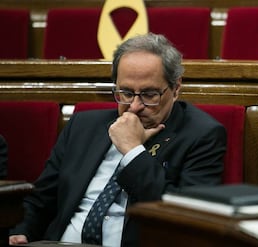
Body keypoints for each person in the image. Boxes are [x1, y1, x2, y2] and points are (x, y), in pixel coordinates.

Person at [9, 33, 226, 247]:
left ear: (176, 88)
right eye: (126, 93)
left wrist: (133, 152)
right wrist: (21, 232)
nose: (134, 106)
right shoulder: (83, 126)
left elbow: (185, 218)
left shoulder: (202, 135)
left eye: (149, 95)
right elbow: (40, 200)